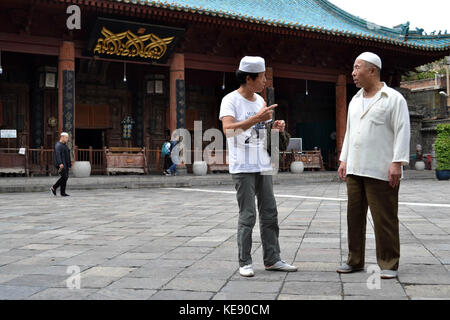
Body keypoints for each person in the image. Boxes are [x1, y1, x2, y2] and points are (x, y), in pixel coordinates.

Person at [219, 56, 297, 277]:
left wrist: (276, 129)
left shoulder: (259, 101)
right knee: (248, 214)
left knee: (270, 213)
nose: (265, 81)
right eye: (262, 77)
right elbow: (228, 130)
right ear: (248, 78)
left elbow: (262, 135)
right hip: (242, 167)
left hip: (263, 164)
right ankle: (245, 261)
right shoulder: (230, 100)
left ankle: (273, 259)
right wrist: (256, 118)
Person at [337, 52, 411, 279]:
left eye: (357, 68)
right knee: (354, 217)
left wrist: (397, 163)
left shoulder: (393, 98)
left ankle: (389, 263)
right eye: (353, 68)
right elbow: (350, 132)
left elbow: (402, 131)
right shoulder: (355, 99)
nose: (353, 73)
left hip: (381, 168)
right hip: (355, 168)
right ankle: (355, 260)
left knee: (385, 218)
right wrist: (343, 159)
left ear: (372, 70)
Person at [50, 132, 72, 197]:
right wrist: (60, 163)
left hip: (65, 164)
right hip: (61, 164)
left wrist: (69, 164)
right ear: (62, 137)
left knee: (65, 177)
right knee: (64, 176)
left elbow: (67, 156)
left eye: (67, 138)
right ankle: (54, 187)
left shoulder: (64, 145)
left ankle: (63, 192)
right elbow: (58, 155)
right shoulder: (58, 145)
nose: (67, 139)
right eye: (66, 137)